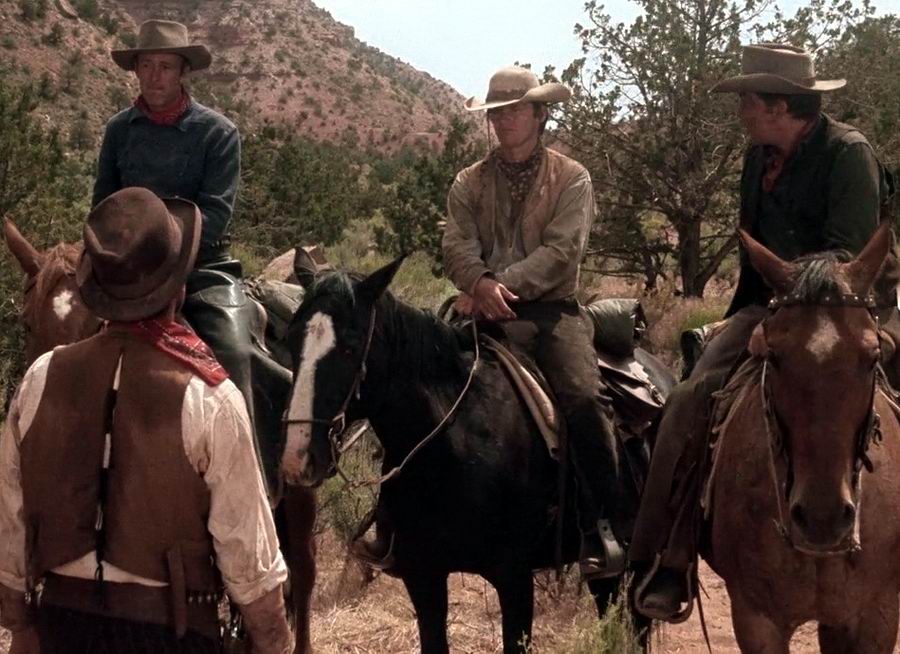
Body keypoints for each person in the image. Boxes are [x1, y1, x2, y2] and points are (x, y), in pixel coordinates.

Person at [631, 43, 898, 622]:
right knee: (687, 400)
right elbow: (755, 254)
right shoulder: (759, 157)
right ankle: (665, 556)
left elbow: (847, 259)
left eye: (748, 101)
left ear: (779, 106)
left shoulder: (849, 153)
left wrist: (781, 313)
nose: (742, 113)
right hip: (771, 307)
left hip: (857, 307)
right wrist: (752, 320)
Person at [362, 64, 632, 580]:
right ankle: (393, 518)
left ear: (540, 113)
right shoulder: (469, 181)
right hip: (477, 305)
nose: (503, 120)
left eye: (515, 110)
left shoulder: (572, 178)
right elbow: (456, 244)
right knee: (409, 384)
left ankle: (605, 522)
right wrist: (479, 282)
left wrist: (497, 285)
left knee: (581, 396)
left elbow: (562, 251)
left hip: (549, 311)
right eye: (496, 112)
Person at [0, 187, 292, 652]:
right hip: (170, 635)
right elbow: (252, 572)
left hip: (60, 626)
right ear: (179, 288)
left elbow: (10, 525)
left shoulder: (39, 378)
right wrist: (274, 640)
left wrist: (20, 626)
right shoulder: (210, 397)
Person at [92, 19, 289, 496]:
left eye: (165, 66)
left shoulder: (217, 133)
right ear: (135, 70)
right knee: (64, 339)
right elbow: (104, 205)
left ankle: (256, 486)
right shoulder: (119, 130)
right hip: (130, 272)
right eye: (146, 65)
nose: (154, 76)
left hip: (202, 267)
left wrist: (173, 266)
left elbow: (215, 214)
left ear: (183, 72)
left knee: (236, 351)